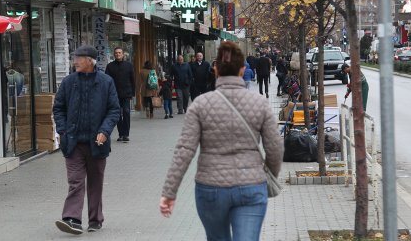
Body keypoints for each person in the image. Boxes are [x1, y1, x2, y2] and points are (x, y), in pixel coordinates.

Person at [160, 41, 283, 240]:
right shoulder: (260, 103)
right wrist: (269, 174)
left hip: (211, 188)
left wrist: (169, 192)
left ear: (215, 70)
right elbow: (275, 148)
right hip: (251, 186)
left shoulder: (200, 104)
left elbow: (184, 150)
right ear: (243, 70)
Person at [52, 45, 121, 235]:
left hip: (97, 143)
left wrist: (105, 131)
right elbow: (58, 108)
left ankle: (95, 219)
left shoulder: (106, 82)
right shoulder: (68, 82)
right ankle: (72, 218)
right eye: (74, 57)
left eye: (78, 58)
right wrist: (63, 130)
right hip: (73, 143)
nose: (74, 61)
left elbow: (114, 110)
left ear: (90, 61)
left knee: (95, 183)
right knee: (76, 181)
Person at [104, 47, 135, 142]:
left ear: (123, 54)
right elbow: (107, 81)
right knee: (117, 115)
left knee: (126, 112)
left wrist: (133, 93)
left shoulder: (129, 66)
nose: (118, 54)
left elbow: (133, 80)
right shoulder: (110, 66)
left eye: (119, 53)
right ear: (114, 54)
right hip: (114, 94)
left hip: (126, 94)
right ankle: (121, 134)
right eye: (116, 53)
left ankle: (126, 134)